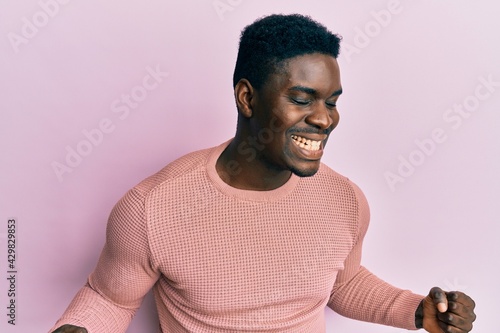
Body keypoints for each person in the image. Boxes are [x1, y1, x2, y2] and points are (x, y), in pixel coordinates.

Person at [50, 14, 476, 333]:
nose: (325, 120)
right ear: (247, 98)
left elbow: (341, 285)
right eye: (303, 98)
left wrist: (418, 311)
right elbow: (109, 299)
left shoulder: (345, 200)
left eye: (331, 101)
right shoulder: (151, 208)